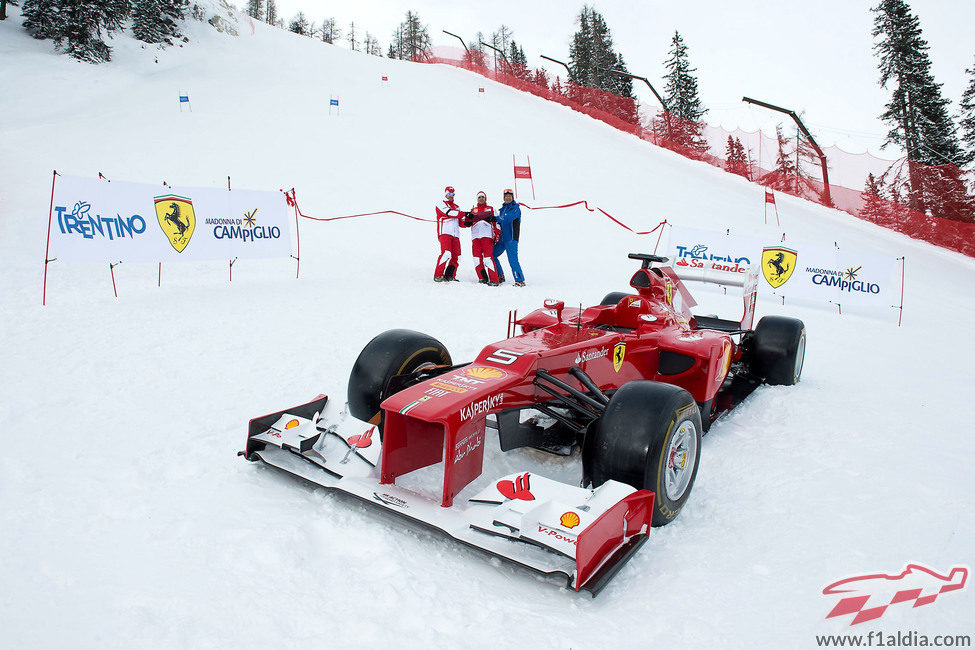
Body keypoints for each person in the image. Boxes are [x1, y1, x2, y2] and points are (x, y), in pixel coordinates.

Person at [465, 190, 500, 285]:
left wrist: (497, 234)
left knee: (488, 258)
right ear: (477, 199)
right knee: (476, 259)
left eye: (482, 197)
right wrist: (467, 220)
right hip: (475, 237)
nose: (481, 199)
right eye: (479, 197)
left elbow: (497, 222)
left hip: (487, 236)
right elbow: (466, 221)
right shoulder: (473, 210)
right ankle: (482, 278)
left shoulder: (491, 208)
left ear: (485, 198)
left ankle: (494, 280)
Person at [493, 188, 525, 286]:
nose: (507, 198)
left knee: (512, 260)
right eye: (506, 196)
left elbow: (507, 218)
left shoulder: (515, 208)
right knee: (492, 254)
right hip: (502, 239)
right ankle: (500, 275)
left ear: (512, 197)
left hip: (511, 238)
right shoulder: (503, 209)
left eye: (509, 196)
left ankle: (520, 280)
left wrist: (495, 218)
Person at [434, 185, 463, 282]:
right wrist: (464, 213)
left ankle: (450, 276)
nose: (451, 196)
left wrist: (470, 218)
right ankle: (438, 275)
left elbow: (461, 222)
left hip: (455, 234)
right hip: (445, 232)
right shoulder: (441, 204)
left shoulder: (457, 207)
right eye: (449, 194)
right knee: (446, 253)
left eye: (453, 194)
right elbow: (450, 213)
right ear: (446, 194)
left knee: (457, 256)